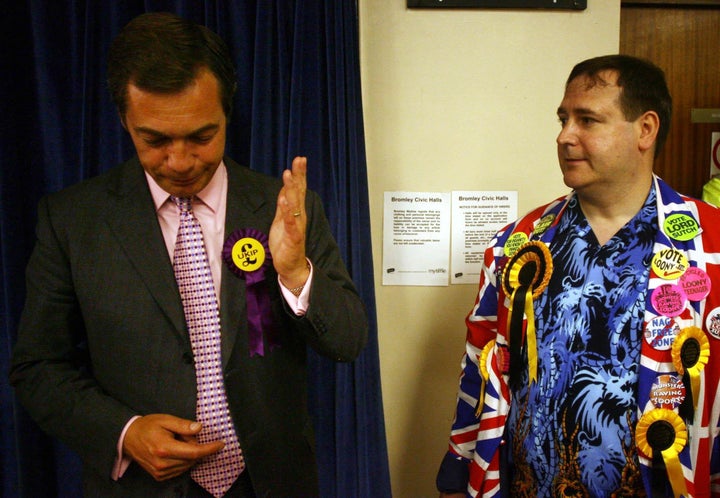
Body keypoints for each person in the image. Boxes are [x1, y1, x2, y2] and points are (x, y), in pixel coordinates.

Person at [10, 12, 368, 498]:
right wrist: (124, 432)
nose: (179, 161)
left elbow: (347, 340)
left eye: (202, 136)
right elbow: (38, 369)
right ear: (124, 120)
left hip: (271, 483)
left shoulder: (283, 207)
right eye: (154, 139)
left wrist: (293, 272)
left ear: (227, 114)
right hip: (139, 486)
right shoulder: (72, 221)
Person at [436, 54, 720, 497]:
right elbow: (480, 363)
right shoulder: (517, 244)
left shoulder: (711, 245)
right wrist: (457, 472)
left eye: (587, 120)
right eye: (563, 118)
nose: (564, 136)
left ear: (645, 129)